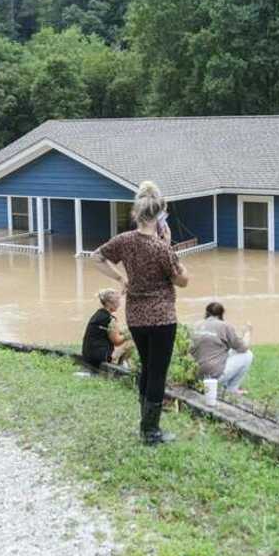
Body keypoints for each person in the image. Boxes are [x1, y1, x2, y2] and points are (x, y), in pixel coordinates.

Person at [92, 180, 190, 445]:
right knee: (158, 372)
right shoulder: (161, 248)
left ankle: (145, 424)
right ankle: (151, 431)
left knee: (148, 367)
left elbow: (96, 257)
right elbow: (183, 280)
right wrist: (169, 246)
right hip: (162, 318)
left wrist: (120, 278)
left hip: (135, 317)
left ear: (136, 213)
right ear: (160, 216)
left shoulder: (124, 241)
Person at [190, 302, 253, 395]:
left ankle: (222, 387)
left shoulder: (195, 325)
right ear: (221, 314)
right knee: (247, 355)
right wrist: (248, 332)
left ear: (206, 313)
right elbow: (243, 348)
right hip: (213, 378)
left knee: (230, 351)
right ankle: (231, 390)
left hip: (194, 376)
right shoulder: (225, 326)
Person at [81, 288, 133, 369]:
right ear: (109, 303)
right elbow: (117, 341)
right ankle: (119, 365)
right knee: (130, 342)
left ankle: (123, 364)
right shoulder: (110, 319)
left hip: (88, 355)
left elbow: (115, 332)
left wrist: (126, 331)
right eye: (117, 301)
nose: (119, 304)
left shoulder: (98, 315)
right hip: (100, 358)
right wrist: (130, 334)